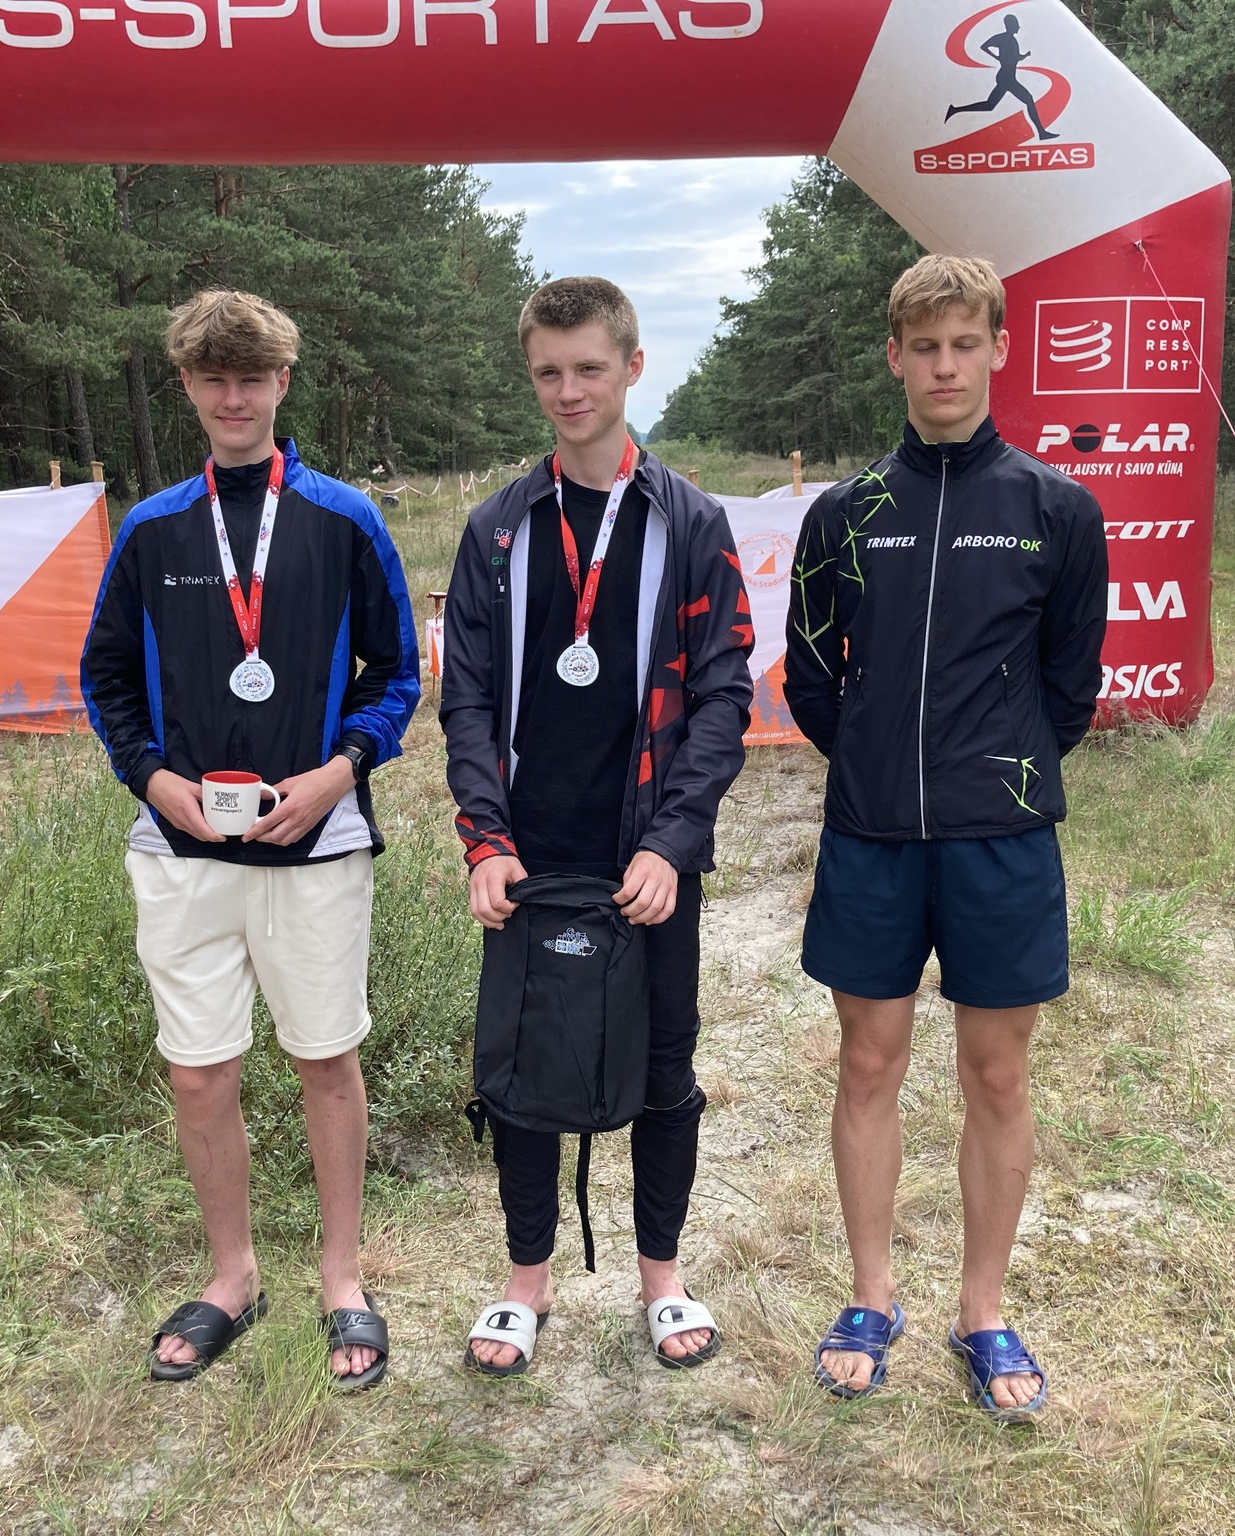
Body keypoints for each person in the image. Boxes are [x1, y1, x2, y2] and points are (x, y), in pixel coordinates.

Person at [785, 254, 1106, 1418]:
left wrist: (991, 772)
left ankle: (982, 1310)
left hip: (999, 843)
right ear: (893, 357)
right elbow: (810, 677)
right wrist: (880, 760)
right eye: (923, 346)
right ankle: (870, 1296)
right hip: (871, 836)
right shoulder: (843, 513)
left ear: (997, 350)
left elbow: (1067, 687)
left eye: (964, 343)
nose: (943, 366)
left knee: (996, 1073)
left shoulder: (1054, 510)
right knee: (868, 1063)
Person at [81, 289, 421, 1389]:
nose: (234, 399)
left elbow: (397, 673)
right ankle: (232, 1275)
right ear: (187, 386)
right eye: (214, 380)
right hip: (181, 850)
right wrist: (152, 779)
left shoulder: (344, 518)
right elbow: (104, 676)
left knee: (326, 1060)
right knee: (198, 1076)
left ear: (282, 382)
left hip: (314, 844)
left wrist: (339, 772)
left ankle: (340, 1274)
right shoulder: (151, 528)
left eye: (252, 378)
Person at [441, 277, 754, 1376]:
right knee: (524, 1067)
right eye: (548, 372)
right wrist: (485, 838)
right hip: (528, 853)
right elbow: (466, 699)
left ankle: (660, 1277)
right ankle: (524, 1281)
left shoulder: (691, 521)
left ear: (631, 366)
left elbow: (723, 694)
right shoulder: (496, 529)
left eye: (588, 367)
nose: (568, 390)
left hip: (646, 851)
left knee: (666, 1063)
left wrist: (673, 839)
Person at [944, 14, 1059, 142]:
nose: (1018, 28)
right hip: (1006, 78)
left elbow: (1015, 58)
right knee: (1028, 99)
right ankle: (1041, 133)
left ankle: (955, 110)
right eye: (1016, 25)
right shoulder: (1003, 38)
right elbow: (984, 46)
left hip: (1007, 77)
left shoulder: (1012, 40)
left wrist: (1025, 56)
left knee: (990, 105)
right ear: (1010, 25)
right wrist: (996, 57)